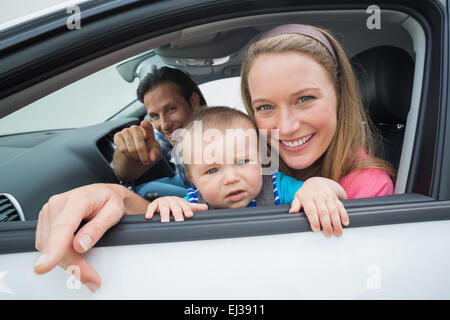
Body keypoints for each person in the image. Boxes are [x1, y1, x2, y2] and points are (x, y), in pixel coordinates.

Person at [33, 24, 395, 291]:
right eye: (265, 106)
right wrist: (116, 196)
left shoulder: (368, 185)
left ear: (340, 97)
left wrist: (317, 188)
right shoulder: (255, 154)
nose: (285, 126)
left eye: (305, 99)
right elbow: (187, 205)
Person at [145, 106, 348, 225]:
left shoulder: (277, 186)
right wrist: (167, 204)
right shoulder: (192, 204)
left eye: (242, 162)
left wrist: (317, 186)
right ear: (192, 178)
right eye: (212, 170)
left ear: (261, 160)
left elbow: (328, 193)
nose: (231, 178)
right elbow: (169, 215)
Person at [113, 65, 207, 194]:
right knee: (146, 190)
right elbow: (124, 174)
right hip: (194, 194)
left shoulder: (224, 138)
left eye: (171, 109)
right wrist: (126, 149)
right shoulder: (172, 135)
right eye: (155, 116)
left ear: (194, 102)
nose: (164, 126)